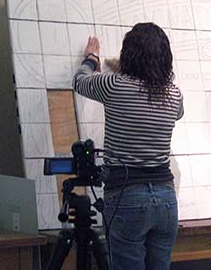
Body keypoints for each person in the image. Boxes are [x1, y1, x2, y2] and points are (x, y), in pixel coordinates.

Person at [73, 22, 184, 270]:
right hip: (166, 199)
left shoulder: (113, 85)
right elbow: (176, 113)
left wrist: (91, 59)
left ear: (128, 54)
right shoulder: (174, 94)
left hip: (127, 195)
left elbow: (79, 81)